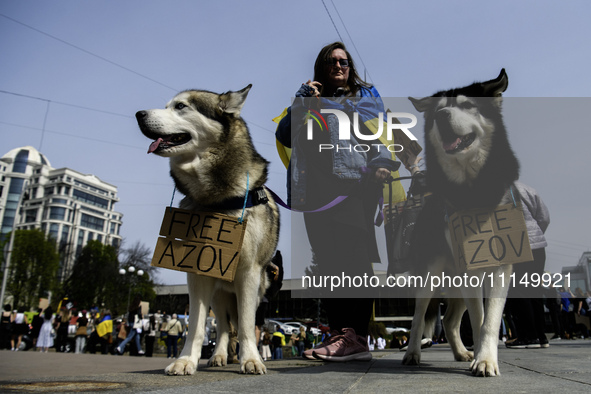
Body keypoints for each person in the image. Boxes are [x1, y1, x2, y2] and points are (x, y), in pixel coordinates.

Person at [276, 41, 402, 362]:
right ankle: (338, 333)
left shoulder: (364, 96)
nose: (339, 66)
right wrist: (302, 100)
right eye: (332, 61)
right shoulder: (308, 98)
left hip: (352, 187)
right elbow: (284, 135)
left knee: (354, 257)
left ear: (350, 67)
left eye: (344, 62)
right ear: (322, 67)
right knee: (328, 262)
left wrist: (384, 161)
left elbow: (379, 130)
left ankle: (356, 336)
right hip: (312, 192)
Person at [505, 183, 550, 349]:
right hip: (538, 246)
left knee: (519, 290)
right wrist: (536, 235)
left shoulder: (497, 190)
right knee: (535, 290)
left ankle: (528, 336)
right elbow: (544, 218)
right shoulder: (529, 189)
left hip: (515, 245)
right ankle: (541, 336)